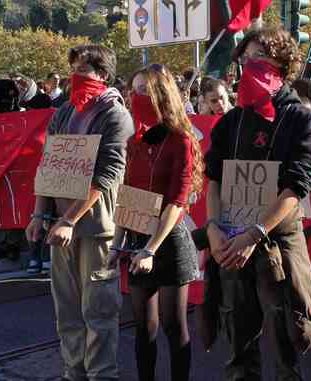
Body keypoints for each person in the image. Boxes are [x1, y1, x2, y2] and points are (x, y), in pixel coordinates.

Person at [201, 26, 311, 381]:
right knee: (238, 341)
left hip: (276, 246)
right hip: (231, 243)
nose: (251, 66)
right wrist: (212, 228)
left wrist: (255, 233)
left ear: (282, 66)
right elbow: (215, 180)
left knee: (288, 341)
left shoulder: (301, 119)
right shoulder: (231, 122)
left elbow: (297, 187)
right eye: (247, 59)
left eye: (261, 59)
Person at [25, 44, 134, 381]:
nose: (75, 75)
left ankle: (102, 375)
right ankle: (74, 373)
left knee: (98, 310)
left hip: (96, 228)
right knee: (67, 311)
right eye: (72, 68)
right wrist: (39, 215)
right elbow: (49, 166)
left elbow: (107, 174)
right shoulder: (63, 113)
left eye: (82, 69)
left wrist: (69, 219)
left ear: (102, 75)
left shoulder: (115, 115)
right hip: (61, 226)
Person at [110, 64, 202, 381]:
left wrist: (150, 249)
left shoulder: (181, 141)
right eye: (132, 90)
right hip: (137, 240)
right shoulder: (136, 141)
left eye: (141, 91)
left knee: (173, 326)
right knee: (143, 327)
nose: (134, 97)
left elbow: (177, 201)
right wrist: (118, 243)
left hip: (168, 243)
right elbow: (129, 195)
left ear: (159, 95)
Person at [0, 79, 24, 261]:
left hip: (16, 166)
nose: (7, 99)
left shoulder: (23, 113)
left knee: (14, 204)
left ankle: (13, 243)